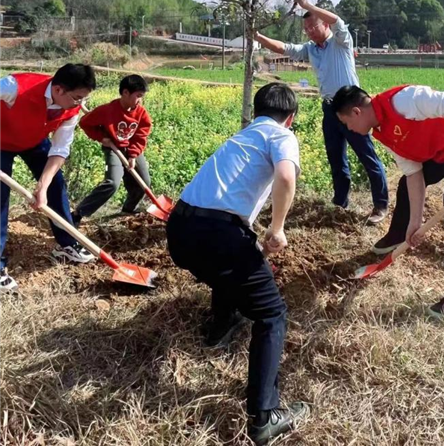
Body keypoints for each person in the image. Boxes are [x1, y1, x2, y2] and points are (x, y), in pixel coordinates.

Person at [166, 83, 309, 445]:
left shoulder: (240, 138)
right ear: (289, 118)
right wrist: (277, 230)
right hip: (218, 233)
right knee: (271, 314)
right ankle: (265, 417)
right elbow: (287, 176)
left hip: (180, 229)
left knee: (236, 259)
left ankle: (221, 323)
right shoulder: (281, 135)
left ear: (256, 111)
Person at [331, 83, 444, 315]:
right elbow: (414, 173)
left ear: (356, 112)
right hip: (440, 153)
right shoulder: (382, 131)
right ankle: (398, 233)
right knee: (406, 184)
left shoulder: (404, 101)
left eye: (347, 123)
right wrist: (415, 222)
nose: (350, 129)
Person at [255, 0, 388, 225]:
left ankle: (380, 205)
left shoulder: (341, 41)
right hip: (330, 109)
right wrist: (257, 36)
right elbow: (284, 48)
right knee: (336, 158)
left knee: (367, 156)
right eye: (306, 28)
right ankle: (340, 202)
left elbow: (338, 22)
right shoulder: (310, 49)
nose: (309, 31)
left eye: (313, 26)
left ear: (324, 24)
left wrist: (307, 5)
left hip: (353, 108)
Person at [0, 64, 97, 293]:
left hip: (33, 141)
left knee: (56, 184)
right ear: (59, 90)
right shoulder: (15, 86)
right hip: (1, 141)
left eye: (84, 99)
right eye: (77, 98)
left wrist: (42, 186)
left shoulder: (70, 110)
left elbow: (60, 150)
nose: (80, 105)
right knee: (0, 199)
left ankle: (67, 244)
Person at [72, 74, 153, 224]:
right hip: (113, 148)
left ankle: (128, 208)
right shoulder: (107, 110)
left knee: (144, 182)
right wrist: (102, 139)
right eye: (138, 96)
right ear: (125, 93)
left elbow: (142, 134)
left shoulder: (141, 113)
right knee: (112, 183)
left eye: (142, 96)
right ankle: (78, 213)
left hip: (132, 148)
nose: (140, 100)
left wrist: (133, 155)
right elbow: (85, 123)